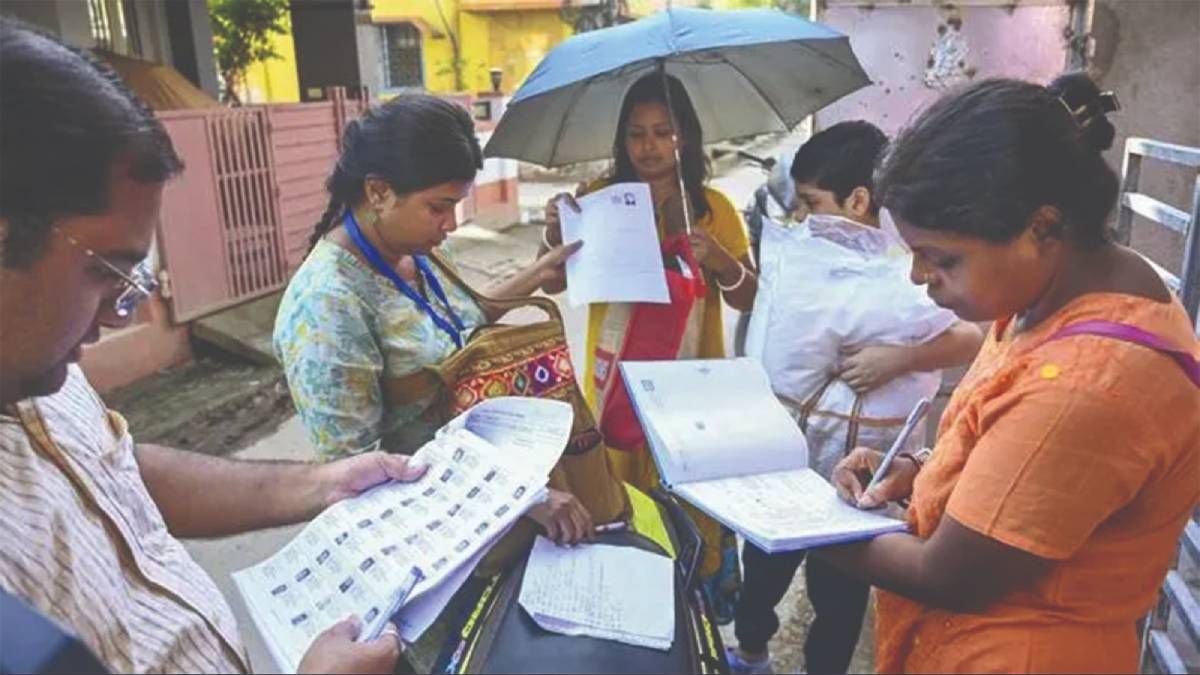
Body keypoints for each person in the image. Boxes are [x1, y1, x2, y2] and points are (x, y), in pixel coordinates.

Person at [0, 18, 424, 674]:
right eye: (105, 273)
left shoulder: (40, 372)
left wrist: (323, 483)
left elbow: (116, 470)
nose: (121, 313)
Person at [818, 73, 1199, 673]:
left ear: (1041, 227)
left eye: (941, 259)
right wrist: (918, 471)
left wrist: (805, 530)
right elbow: (1017, 457)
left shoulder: (1086, 385)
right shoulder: (1049, 294)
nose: (918, 278)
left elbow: (951, 574)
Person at [273, 95, 595, 548]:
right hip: (429, 535)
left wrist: (538, 273)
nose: (450, 224)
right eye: (438, 207)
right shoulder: (326, 307)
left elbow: (457, 323)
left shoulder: (414, 252)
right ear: (378, 192)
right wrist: (517, 497)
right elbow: (358, 476)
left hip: (491, 493)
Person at [728, 121, 984, 675]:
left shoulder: (906, 269)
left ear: (859, 201)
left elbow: (970, 337)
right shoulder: (799, 257)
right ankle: (750, 652)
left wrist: (901, 358)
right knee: (764, 570)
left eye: (813, 203)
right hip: (787, 459)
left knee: (839, 595)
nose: (802, 218)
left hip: (859, 473)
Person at [540, 73, 757, 619]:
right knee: (616, 500)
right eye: (637, 134)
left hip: (690, 390)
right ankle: (627, 616)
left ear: (686, 136)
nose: (650, 146)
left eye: (664, 132)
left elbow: (750, 296)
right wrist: (554, 234)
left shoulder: (713, 209)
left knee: (684, 497)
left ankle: (690, 621)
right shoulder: (598, 200)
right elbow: (555, 281)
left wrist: (719, 260)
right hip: (613, 389)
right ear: (622, 140)